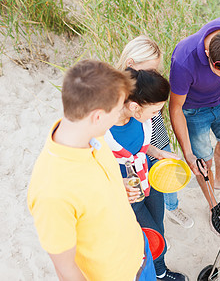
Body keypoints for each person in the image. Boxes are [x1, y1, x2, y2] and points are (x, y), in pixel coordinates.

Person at [27, 60, 156, 280]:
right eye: (117, 111)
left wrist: (117, 186)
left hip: (140, 253)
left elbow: (95, 192)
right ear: (97, 116)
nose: (119, 118)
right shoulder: (51, 191)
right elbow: (65, 269)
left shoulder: (94, 137)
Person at [104, 68, 187, 281]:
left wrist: (158, 153)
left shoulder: (140, 118)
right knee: (151, 236)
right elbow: (90, 168)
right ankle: (153, 274)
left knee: (158, 226)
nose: (156, 115)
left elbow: (141, 145)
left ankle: (160, 270)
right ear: (134, 107)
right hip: (125, 188)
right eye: (154, 111)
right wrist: (117, 182)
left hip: (146, 176)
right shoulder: (102, 129)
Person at [169, 16, 220, 209]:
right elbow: (175, 108)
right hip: (193, 111)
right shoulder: (183, 60)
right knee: (204, 161)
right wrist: (188, 153)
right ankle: (213, 204)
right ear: (207, 54)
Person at [116, 35, 194, 229]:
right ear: (130, 64)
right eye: (150, 70)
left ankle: (172, 207)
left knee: (164, 181)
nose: (153, 75)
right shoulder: (117, 106)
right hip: (133, 163)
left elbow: (153, 120)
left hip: (151, 141)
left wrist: (159, 150)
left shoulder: (146, 103)